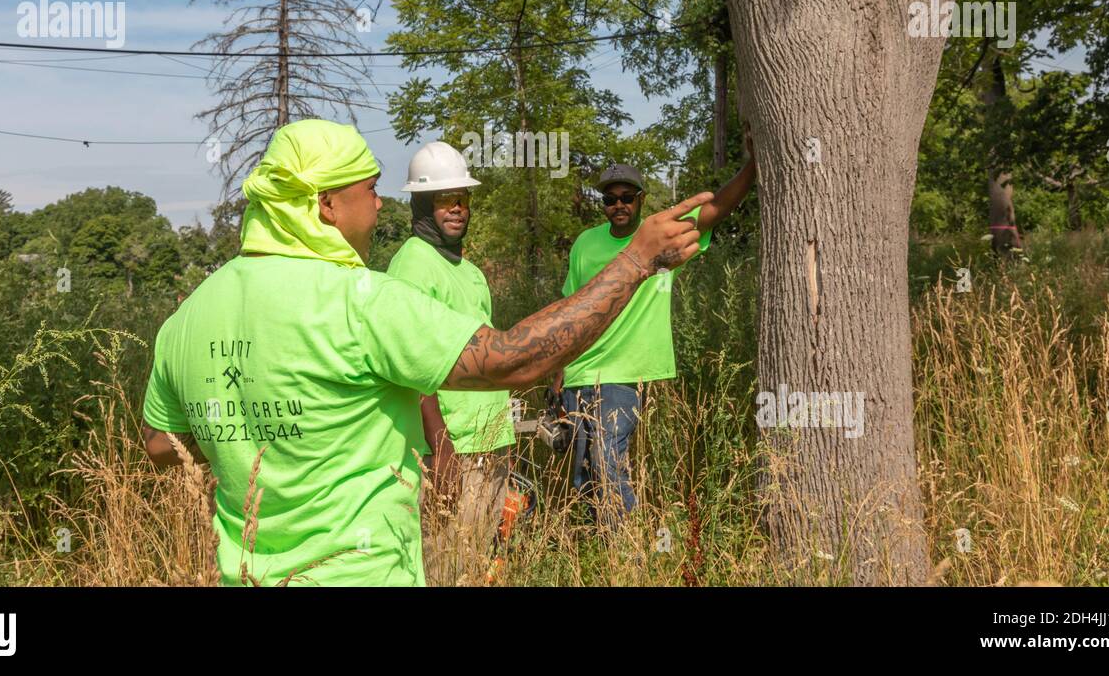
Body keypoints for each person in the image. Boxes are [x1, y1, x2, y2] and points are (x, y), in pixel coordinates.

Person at [141, 119, 711, 586]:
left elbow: (161, 446)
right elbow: (508, 360)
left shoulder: (188, 316)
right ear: (325, 207)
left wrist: (250, 422)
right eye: (368, 188)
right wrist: (635, 262)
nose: (380, 202)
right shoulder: (359, 301)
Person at [556, 140, 756, 526]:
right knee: (583, 478)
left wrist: (753, 165)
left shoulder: (660, 241)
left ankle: (630, 555)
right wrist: (557, 372)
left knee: (607, 461)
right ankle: (599, 556)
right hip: (578, 375)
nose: (618, 205)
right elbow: (571, 311)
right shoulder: (584, 244)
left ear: (641, 199)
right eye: (609, 199)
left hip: (623, 377)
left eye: (626, 197)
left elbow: (714, 209)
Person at [387, 141, 513, 585]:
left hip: (489, 443)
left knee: (478, 569)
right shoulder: (412, 266)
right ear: (420, 204)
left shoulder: (469, 270)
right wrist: (440, 449)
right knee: (447, 569)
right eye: (444, 200)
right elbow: (407, 362)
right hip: (452, 451)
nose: (457, 209)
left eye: (462, 198)